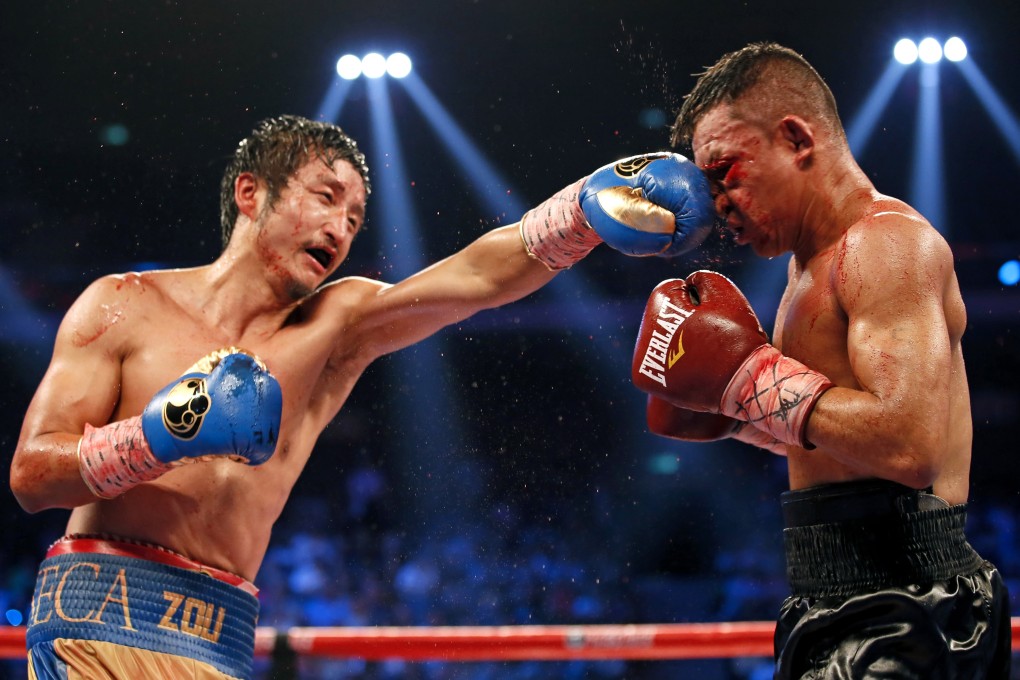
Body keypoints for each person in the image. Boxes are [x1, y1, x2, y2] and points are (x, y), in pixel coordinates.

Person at [10, 114, 715, 679]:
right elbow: (32, 477)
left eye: (354, 217)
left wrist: (580, 213)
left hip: (214, 644)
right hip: (93, 629)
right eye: (326, 197)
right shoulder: (124, 305)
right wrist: (158, 435)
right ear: (251, 194)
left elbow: (470, 279)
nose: (341, 229)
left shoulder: (335, 326)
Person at [630, 43, 1011, 678]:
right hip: (832, 591)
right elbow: (839, 443)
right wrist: (730, 410)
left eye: (726, 171)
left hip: (909, 603)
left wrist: (747, 379)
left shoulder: (885, 245)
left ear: (796, 139)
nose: (717, 204)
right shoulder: (804, 267)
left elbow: (909, 444)